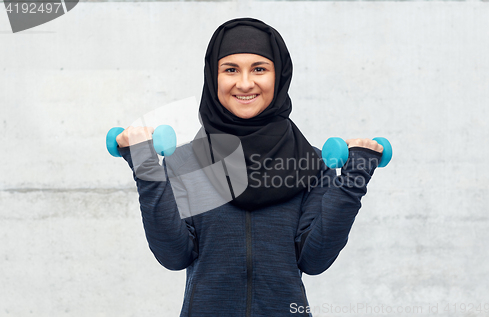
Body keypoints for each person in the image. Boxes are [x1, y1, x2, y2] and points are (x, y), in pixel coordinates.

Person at [115, 18, 383, 317]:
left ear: (278, 76)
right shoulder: (185, 162)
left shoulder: (313, 164)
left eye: (259, 69)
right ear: (213, 77)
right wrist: (146, 165)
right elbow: (174, 256)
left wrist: (355, 176)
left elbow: (315, 260)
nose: (244, 83)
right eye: (230, 69)